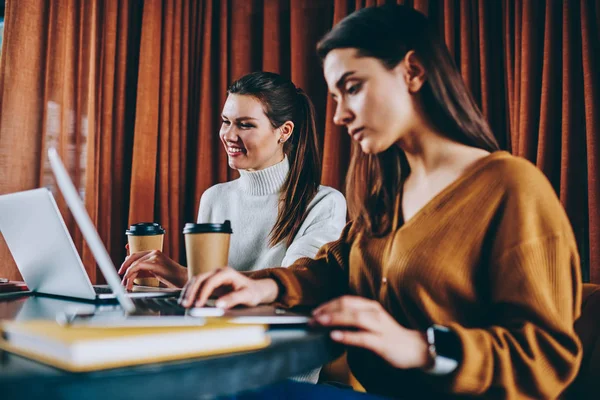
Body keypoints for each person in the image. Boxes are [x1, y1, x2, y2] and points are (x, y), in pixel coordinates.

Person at [178, 5, 583, 399]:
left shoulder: (511, 187)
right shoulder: (390, 192)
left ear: (413, 72)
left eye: (352, 88)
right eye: (335, 96)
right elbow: (336, 270)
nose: (339, 115)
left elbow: (546, 356)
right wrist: (262, 285)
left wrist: (420, 347)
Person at [119, 71, 347, 383]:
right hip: (212, 362)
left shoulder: (324, 203)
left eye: (245, 124)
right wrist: (163, 286)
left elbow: (295, 290)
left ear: (284, 132)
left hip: (276, 372)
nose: (228, 134)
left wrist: (183, 275)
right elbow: (211, 304)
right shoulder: (215, 198)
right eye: (226, 121)